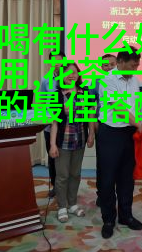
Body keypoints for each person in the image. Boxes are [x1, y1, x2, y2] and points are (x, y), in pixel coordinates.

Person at [96, 47, 142, 239]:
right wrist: (138, 124)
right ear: (121, 62)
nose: (135, 69)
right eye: (132, 65)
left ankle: (126, 215)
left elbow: (137, 105)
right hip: (110, 133)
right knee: (107, 179)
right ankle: (108, 219)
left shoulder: (135, 80)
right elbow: (118, 108)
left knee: (127, 177)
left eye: (137, 66)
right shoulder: (108, 80)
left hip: (128, 134)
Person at [49, 62, 96, 222]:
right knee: (62, 176)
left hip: (80, 140)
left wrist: (91, 134)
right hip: (63, 141)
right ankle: (62, 206)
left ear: (78, 75)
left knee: (75, 174)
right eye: (67, 72)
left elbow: (90, 115)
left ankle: (72, 204)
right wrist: (52, 144)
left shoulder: (85, 92)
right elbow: (54, 122)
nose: (71, 75)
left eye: (74, 72)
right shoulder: (57, 95)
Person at [39, 51, 66, 198]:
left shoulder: (70, 77)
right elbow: (42, 101)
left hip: (68, 126)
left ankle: (67, 186)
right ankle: (55, 186)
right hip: (51, 125)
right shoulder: (45, 80)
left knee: (66, 157)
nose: (57, 63)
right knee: (52, 157)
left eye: (60, 60)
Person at [92, 53, 116, 208]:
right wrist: (94, 125)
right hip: (103, 126)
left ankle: (115, 192)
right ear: (101, 67)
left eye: (112, 64)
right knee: (102, 163)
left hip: (121, 127)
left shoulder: (123, 80)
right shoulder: (96, 82)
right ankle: (101, 194)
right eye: (106, 65)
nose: (109, 68)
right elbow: (90, 106)